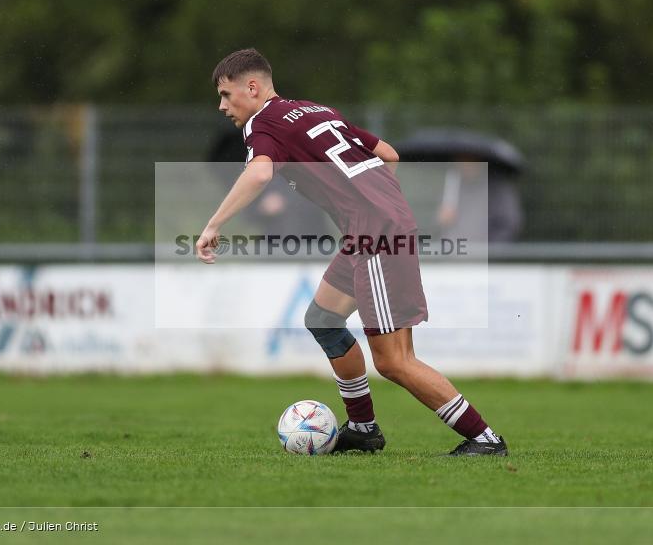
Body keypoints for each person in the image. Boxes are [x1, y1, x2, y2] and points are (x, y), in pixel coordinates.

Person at [196, 48, 507, 456]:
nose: (222, 105)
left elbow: (258, 172)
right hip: (372, 228)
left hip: (375, 233)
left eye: (225, 94)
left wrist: (213, 225)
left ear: (251, 88)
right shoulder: (314, 110)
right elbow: (388, 154)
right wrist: (370, 199)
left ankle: (484, 438)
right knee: (323, 319)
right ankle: (363, 429)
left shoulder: (261, 123)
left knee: (394, 361)